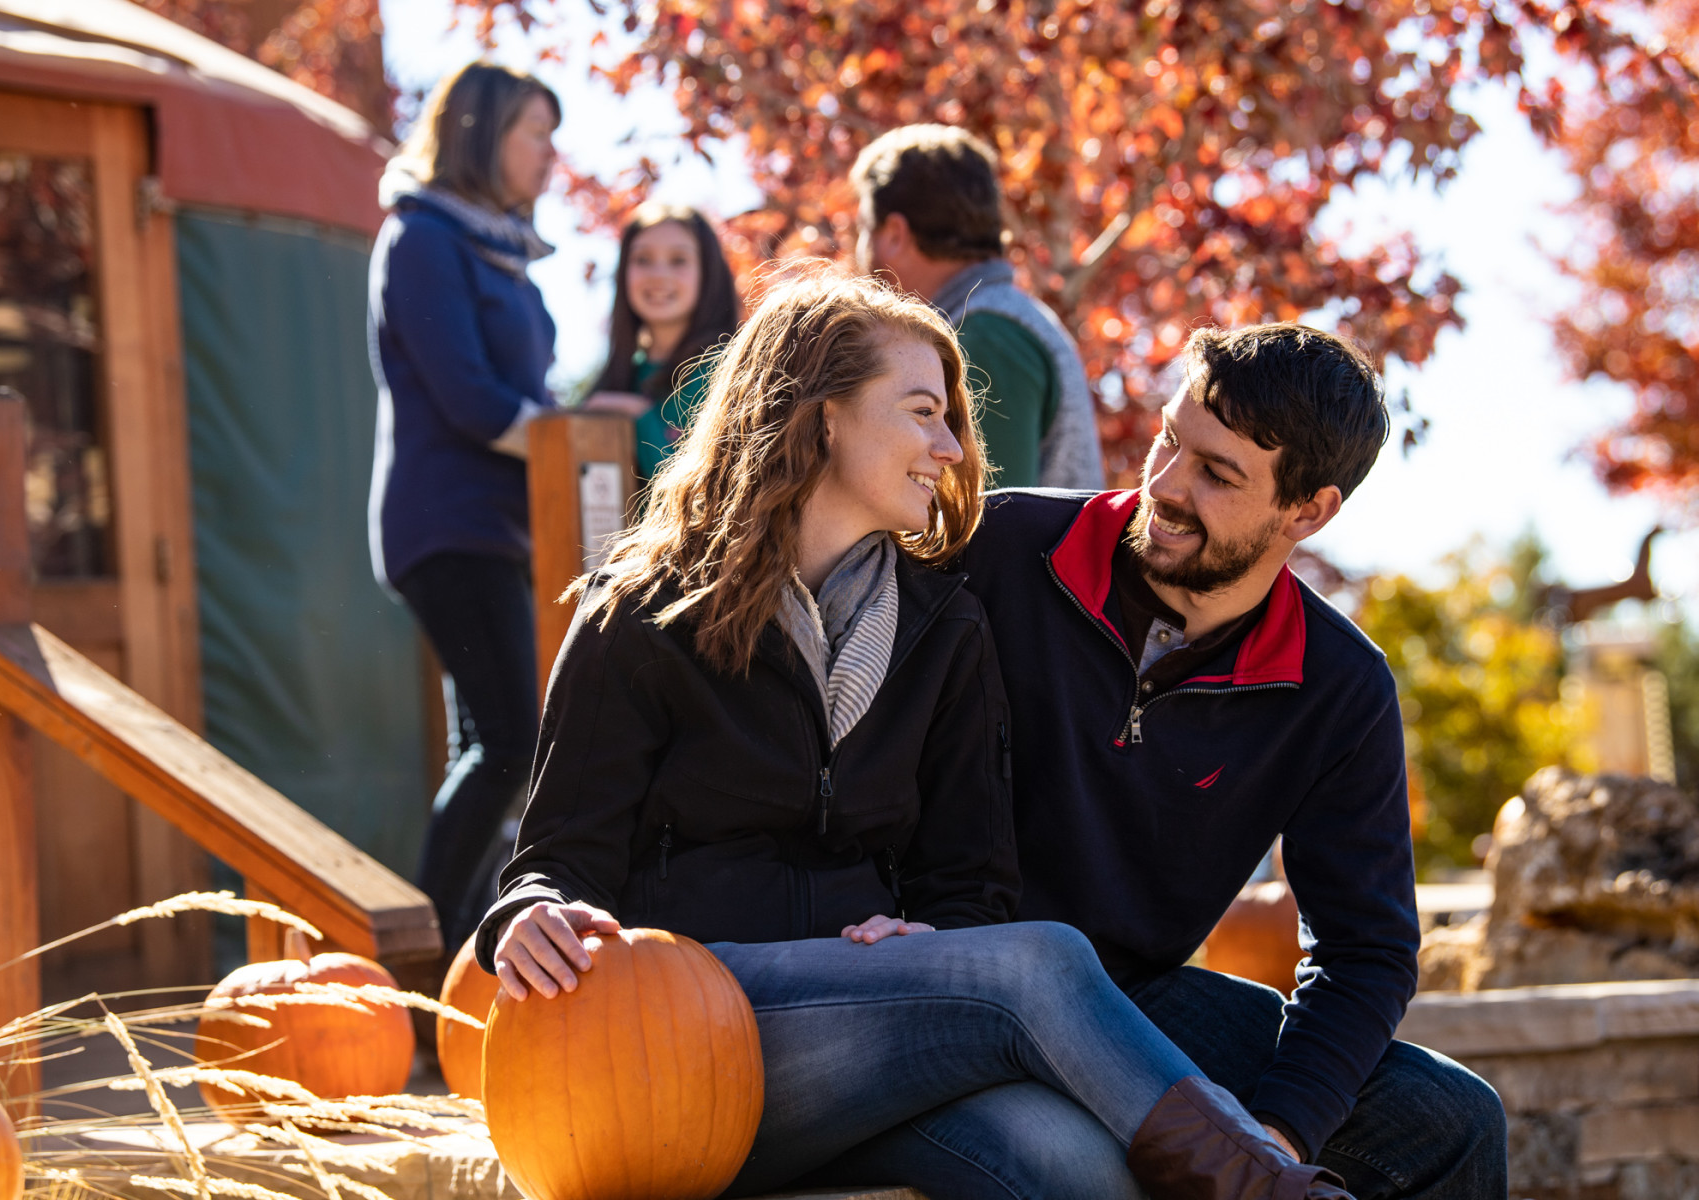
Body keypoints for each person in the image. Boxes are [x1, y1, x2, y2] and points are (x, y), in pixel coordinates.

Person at [473, 272, 1354, 1200]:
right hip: (674, 1040)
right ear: (823, 420)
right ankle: (1276, 1193)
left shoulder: (945, 629)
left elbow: (969, 884)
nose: (951, 446)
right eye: (923, 412)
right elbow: (555, 857)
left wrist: (929, 934)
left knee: (1073, 1163)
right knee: (1046, 962)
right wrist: (527, 915)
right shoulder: (644, 615)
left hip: (866, 1048)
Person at [900, 322, 1505, 1198]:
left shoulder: (1340, 687)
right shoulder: (997, 549)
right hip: (943, 970)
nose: (1167, 486)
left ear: (1309, 511)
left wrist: (1280, 1128)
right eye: (1171, 440)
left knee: (1452, 1119)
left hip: (1136, 1002)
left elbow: (1365, 949)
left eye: (1218, 474)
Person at [367, 62, 560, 952]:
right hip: (447, 528)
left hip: (500, 531)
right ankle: (415, 960)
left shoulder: (501, 248)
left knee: (490, 746)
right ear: (484, 134)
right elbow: (474, 400)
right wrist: (572, 436)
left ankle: (459, 967)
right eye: (535, 133)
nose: (550, 155)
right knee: (514, 745)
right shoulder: (421, 240)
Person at [851, 124, 1105, 491]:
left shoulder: (982, 338)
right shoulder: (997, 321)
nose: (856, 253)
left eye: (862, 230)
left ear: (894, 234)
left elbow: (982, 522)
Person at [582, 204, 741, 477]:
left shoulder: (732, 373)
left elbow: (710, 494)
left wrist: (639, 415)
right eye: (642, 260)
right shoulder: (622, 374)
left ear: (708, 271)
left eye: (678, 260)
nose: (658, 274)